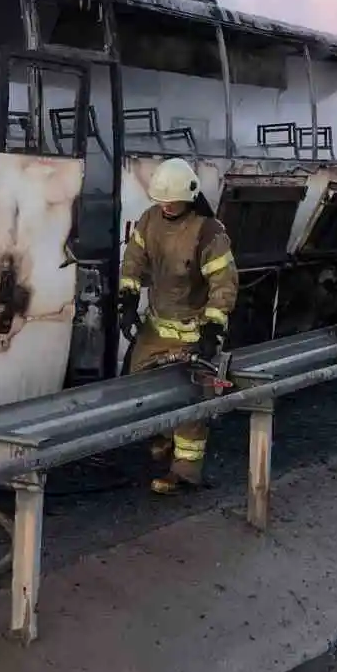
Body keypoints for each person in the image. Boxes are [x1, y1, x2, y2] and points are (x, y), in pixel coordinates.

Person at [117, 157, 240, 495]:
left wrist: (213, 329)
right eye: (161, 201)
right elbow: (133, 262)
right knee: (139, 384)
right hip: (156, 329)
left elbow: (224, 283)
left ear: (189, 196)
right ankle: (162, 435)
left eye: (172, 201)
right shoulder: (149, 221)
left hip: (193, 332)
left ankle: (185, 470)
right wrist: (127, 300)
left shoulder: (208, 233)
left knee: (190, 401)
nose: (166, 206)